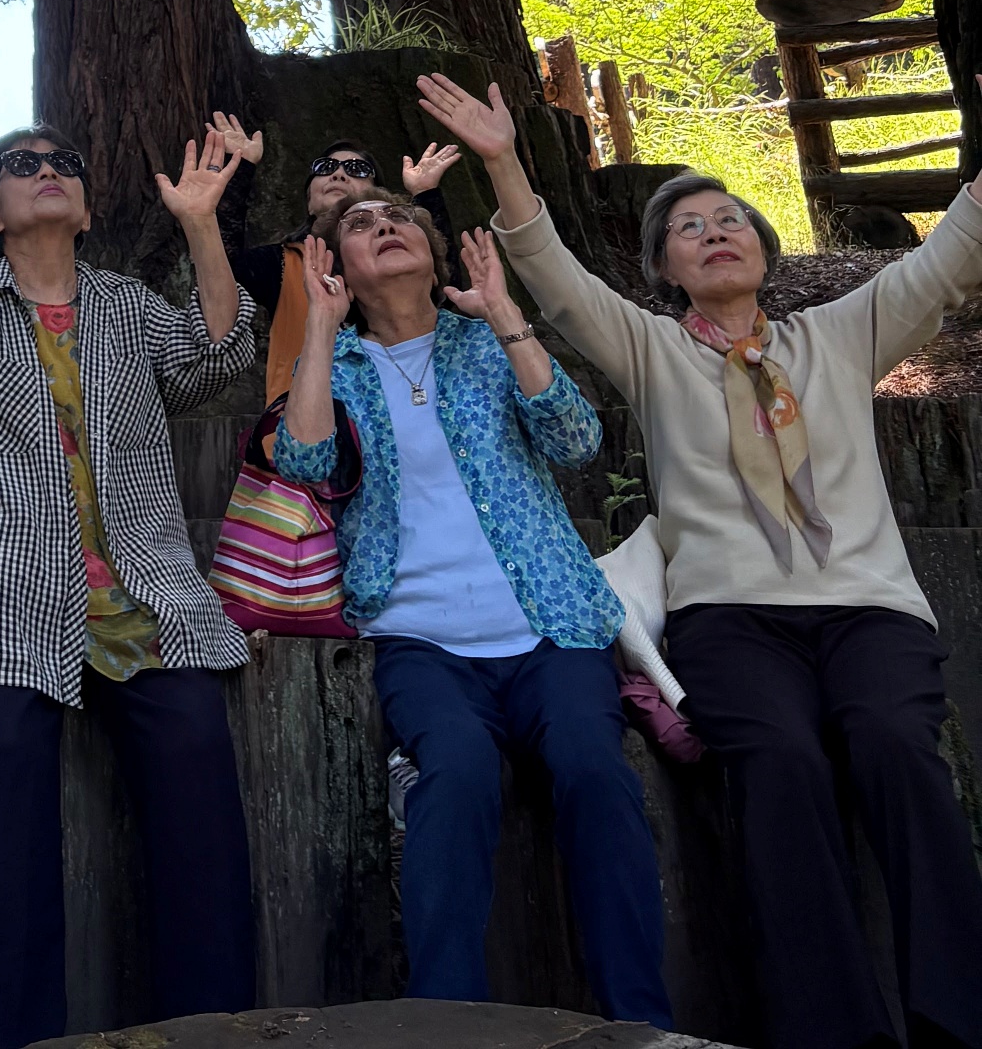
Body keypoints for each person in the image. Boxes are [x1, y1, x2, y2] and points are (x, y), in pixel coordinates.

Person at [421, 65, 982, 1049]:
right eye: (690, 228)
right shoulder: (651, 350)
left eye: (731, 221)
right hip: (730, 620)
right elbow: (554, 274)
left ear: (762, 251)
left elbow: (942, 264)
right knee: (779, 764)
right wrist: (505, 162)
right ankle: (835, 1036)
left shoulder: (841, 334)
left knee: (898, 747)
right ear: (666, 269)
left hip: (870, 610)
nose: (716, 232)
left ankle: (959, 1020)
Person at [0, 117, 259, 1049]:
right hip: (1, 581)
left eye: (65, 162)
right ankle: (7, 1036)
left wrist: (200, 225)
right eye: (21, 166)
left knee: (196, 763)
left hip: (146, 591)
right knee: (9, 778)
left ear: (88, 209)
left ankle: (213, 1027)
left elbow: (217, 357)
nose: (47, 170)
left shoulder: (130, 306)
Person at [277, 185, 672, 1023]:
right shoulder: (338, 364)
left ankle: (642, 1022)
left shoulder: (487, 340)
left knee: (596, 771)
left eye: (398, 218)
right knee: (454, 774)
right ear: (338, 267)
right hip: (417, 639)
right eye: (359, 225)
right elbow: (305, 461)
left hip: (551, 628)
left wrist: (504, 313)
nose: (384, 226)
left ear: (433, 253)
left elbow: (577, 440)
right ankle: (444, 1022)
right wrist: (318, 325)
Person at [214, 117, 461, 402]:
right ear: (309, 201)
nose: (339, 174)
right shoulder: (285, 261)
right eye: (325, 168)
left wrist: (426, 195)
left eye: (357, 169)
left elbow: (444, 291)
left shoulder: (397, 255)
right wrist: (241, 169)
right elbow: (218, 273)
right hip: (304, 417)